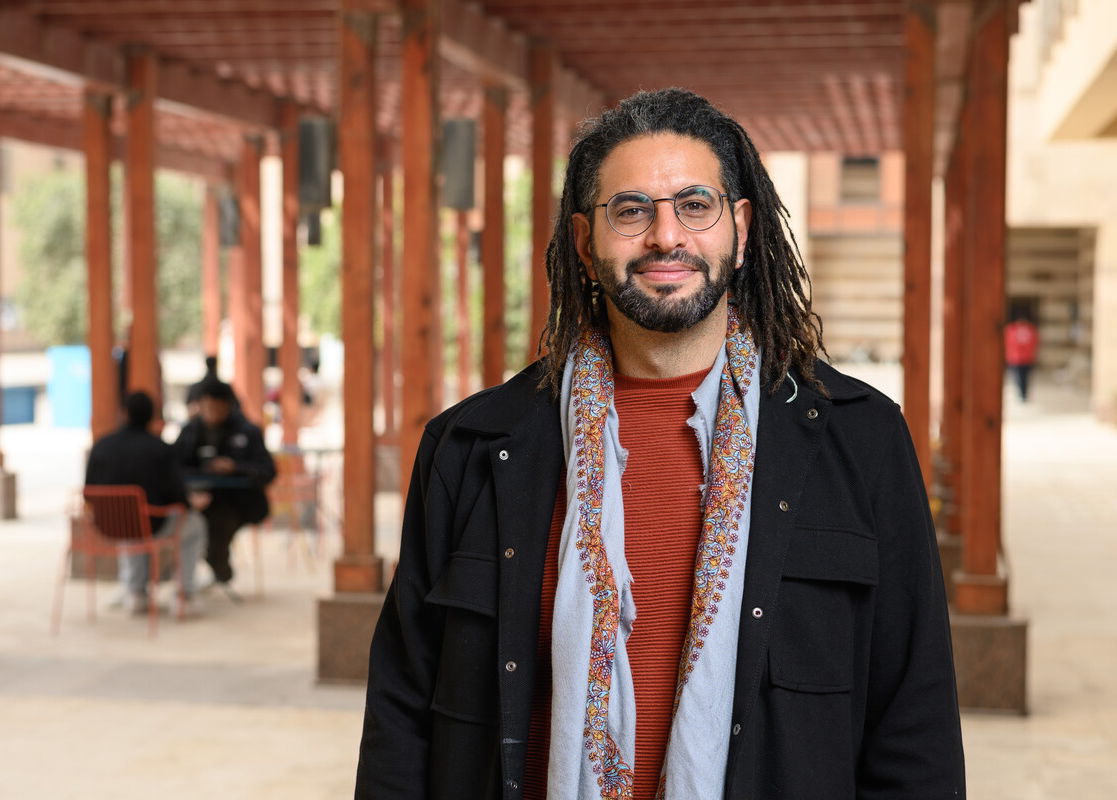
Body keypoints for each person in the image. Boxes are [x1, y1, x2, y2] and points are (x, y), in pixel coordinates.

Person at [355, 89, 964, 799]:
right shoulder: (473, 447)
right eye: (632, 210)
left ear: (740, 230)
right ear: (585, 243)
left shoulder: (861, 441)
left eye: (694, 206)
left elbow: (913, 722)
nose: (666, 237)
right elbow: (401, 713)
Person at [84, 391, 207, 615]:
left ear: (125, 413)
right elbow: (178, 497)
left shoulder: (102, 445)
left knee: (128, 518)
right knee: (193, 523)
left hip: (108, 524)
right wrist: (192, 503)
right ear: (153, 417)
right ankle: (184, 595)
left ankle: (135, 592)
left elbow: (88, 491)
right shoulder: (160, 448)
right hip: (152, 524)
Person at [173, 378, 276, 588]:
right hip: (197, 498)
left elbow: (268, 471)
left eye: (217, 409)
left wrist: (235, 467)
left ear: (228, 406)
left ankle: (218, 568)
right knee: (180, 523)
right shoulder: (191, 431)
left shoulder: (248, 431)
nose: (212, 414)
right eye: (207, 408)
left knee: (219, 522)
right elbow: (173, 466)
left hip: (238, 502)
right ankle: (181, 581)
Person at [1005, 313, 1039, 402]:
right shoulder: (1012, 329)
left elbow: (1035, 342)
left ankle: (1023, 393)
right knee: (1019, 377)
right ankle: (1022, 393)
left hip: (1024, 358)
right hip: (1017, 358)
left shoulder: (1028, 330)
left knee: (1023, 377)